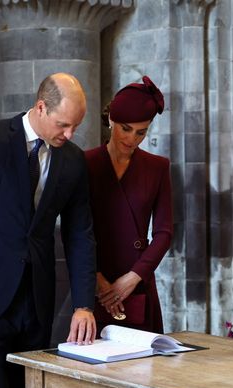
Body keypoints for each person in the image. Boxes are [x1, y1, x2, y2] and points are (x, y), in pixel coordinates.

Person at [0, 73, 97, 388]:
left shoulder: (73, 159)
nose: (70, 134)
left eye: (76, 126)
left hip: (37, 300)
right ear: (41, 107)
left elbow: (80, 234)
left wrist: (84, 305)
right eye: (63, 125)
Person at [85, 76, 172, 334]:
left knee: (142, 369)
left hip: (137, 283)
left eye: (141, 132)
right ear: (111, 120)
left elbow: (164, 233)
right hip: (91, 281)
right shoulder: (84, 163)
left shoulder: (158, 167)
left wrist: (133, 278)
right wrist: (98, 280)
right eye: (125, 128)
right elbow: (74, 228)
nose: (132, 139)